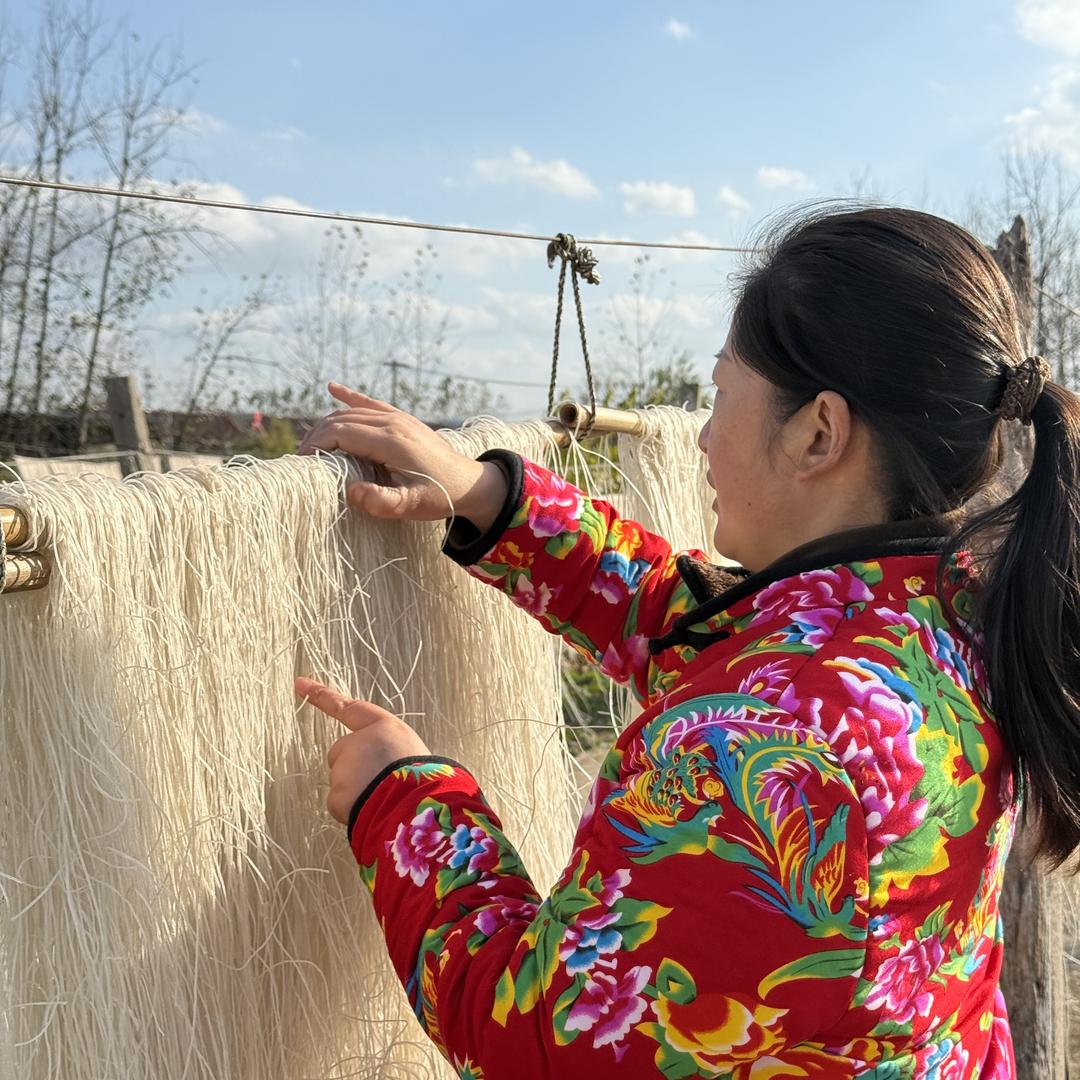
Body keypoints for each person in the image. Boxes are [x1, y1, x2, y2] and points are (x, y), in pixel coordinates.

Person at [295, 206, 1080, 1079]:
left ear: (818, 432)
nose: (703, 436)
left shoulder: (771, 750)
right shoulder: (946, 618)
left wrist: (402, 800)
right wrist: (489, 498)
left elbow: (535, 1040)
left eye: (718, 396)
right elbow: (703, 626)